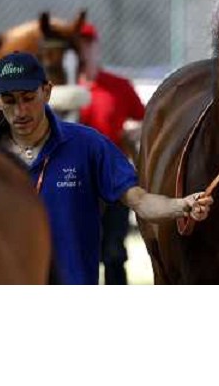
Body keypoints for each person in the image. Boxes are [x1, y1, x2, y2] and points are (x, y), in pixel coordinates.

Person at [0, 51, 213, 285]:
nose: (20, 111)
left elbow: (141, 202)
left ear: (47, 91)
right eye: (9, 100)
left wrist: (181, 205)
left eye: (28, 97)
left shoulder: (88, 145)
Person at [77, 22, 145, 285]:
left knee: (115, 252)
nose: (83, 51)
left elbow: (145, 120)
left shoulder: (118, 86)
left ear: (96, 47)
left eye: (87, 44)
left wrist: (135, 131)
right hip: (76, 182)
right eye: (78, 45)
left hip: (113, 179)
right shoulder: (59, 93)